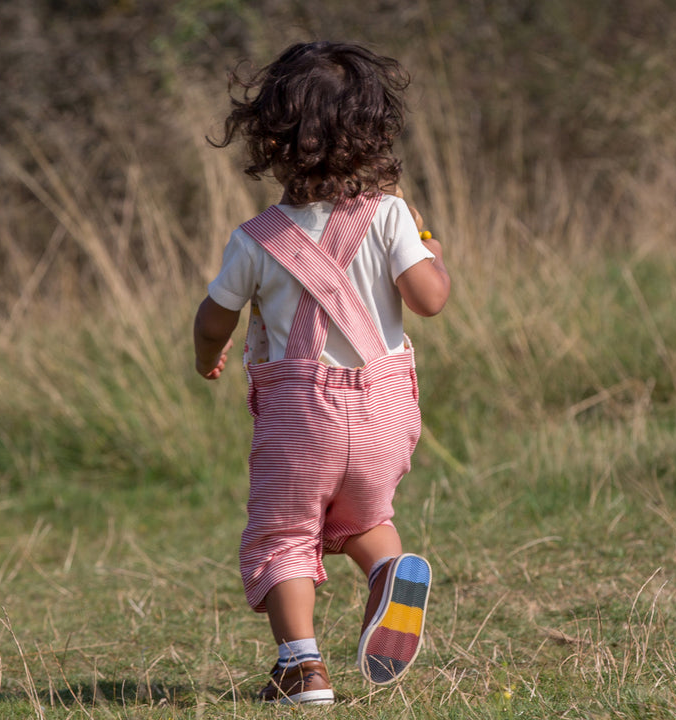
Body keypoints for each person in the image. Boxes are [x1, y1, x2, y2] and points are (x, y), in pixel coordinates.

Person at [194, 41, 450, 705]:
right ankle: (390, 572)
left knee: (283, 536)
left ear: (271, 138)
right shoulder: (394, 216)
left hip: (299, 418)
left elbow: (214, 316)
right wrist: (429, 250)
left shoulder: (256, 239)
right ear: (373, 131)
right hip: (385, 413)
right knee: (366, 519)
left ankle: (302, 669)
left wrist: (206, 354)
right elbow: (430, 300)